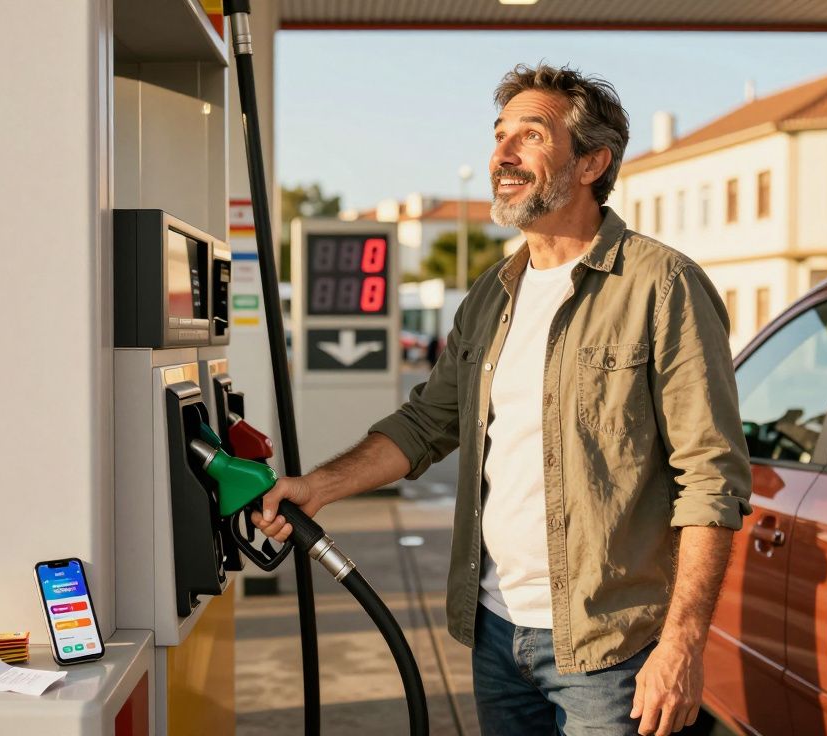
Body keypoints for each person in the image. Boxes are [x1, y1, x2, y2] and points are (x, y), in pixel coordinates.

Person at [252, 63, 752, 736]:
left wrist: (684, 644)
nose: (503, 155)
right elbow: (428, 421)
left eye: (532, 135)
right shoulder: (493, 294)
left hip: (611, 651)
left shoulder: (663, 288)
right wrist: (320, 486)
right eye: (500, 135)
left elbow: (711, 479)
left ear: (590, 162)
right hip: (496, 636)